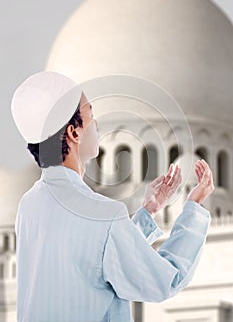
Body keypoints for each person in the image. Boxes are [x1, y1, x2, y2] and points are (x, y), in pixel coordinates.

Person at [11, 71, 214, 322]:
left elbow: (96, 260)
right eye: (91, 115)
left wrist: (150, 208)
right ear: (74, 133)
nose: (97, 124)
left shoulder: (29, 206)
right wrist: (193, 208)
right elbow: (164, 281)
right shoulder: (102, 214)